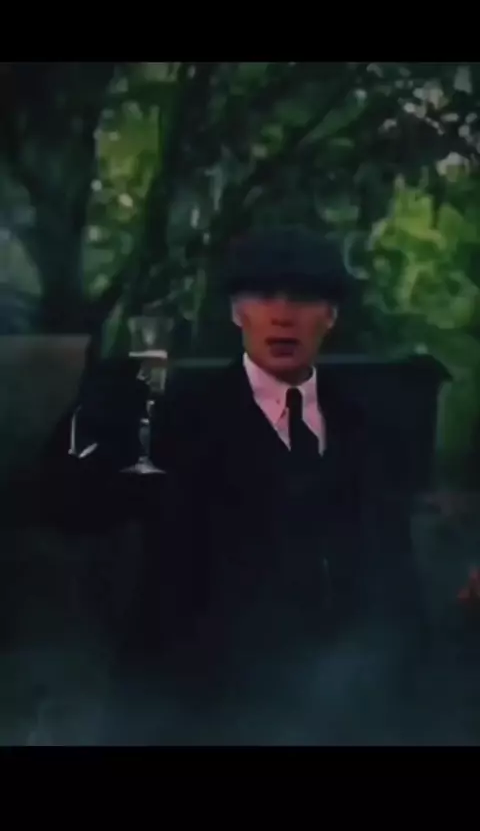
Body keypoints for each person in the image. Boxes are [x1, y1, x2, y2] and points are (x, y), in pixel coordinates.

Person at [43, 226, 428, 743]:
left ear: (330, 315)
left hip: (335, 707)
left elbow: (392, 576)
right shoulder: (176, 419)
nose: (283, 314)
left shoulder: (363, 426)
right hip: (195, 710)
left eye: (304, 298)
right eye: (263, 295)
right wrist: (99, 400)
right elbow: (71, 504)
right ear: (235, 311)